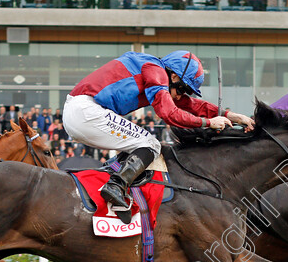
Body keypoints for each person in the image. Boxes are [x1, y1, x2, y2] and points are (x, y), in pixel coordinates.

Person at [63, 50, 254, 210]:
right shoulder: (154, 70)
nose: (180, 96)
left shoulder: (154, 71)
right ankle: (116, 186)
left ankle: (115, 182)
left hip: (81, 112)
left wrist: (232, 115)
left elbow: (192, 105)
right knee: (150, 143)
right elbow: (169, 114)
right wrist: (208, 123)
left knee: (138, 145)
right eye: (181, 89)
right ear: (173, 76)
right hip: (86, 110)